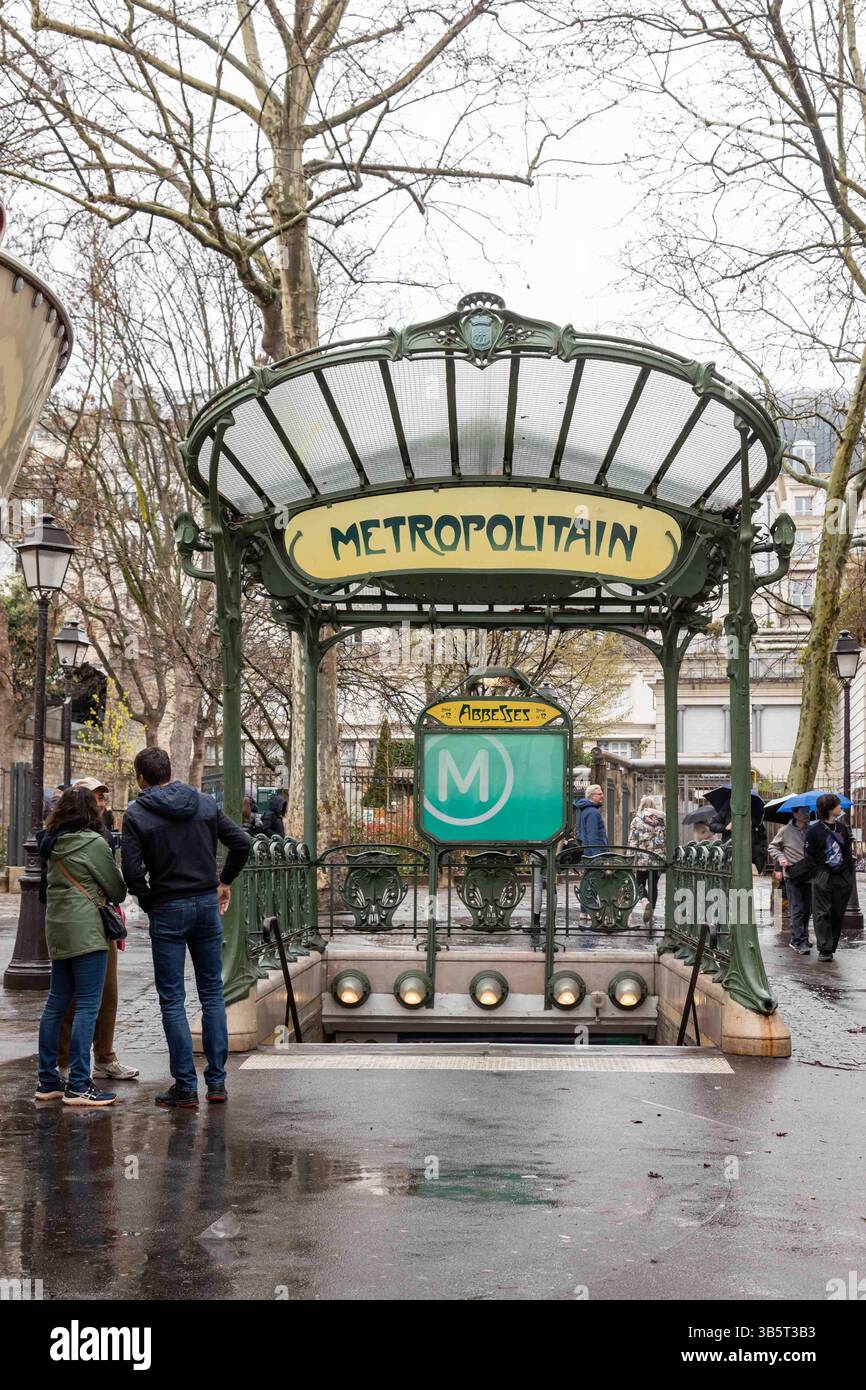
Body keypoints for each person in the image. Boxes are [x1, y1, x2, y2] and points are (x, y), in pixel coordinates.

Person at [121, 748, 252, 1107]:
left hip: (167, 908)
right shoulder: (203, 803)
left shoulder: (137, 813)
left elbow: (131, 871)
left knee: (173, 1000)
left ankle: (184, 1086)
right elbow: (242, 842)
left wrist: (149, 899)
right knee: (212, 994)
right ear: (170, 771)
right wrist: (223, 880)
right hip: (205, 906)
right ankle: (217, 1083)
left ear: (141, 779)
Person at [35, 784, 127, 1107]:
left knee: (56, 1002)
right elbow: (118, 891)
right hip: (88, 934)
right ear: (90, 812)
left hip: (57, 931)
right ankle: (78, 1084)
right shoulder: (93, 843)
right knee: (89, 1004)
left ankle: (47, 1079)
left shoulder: (51, 843)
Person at [54, 777, 139, 1084]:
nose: (101, 802)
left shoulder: (74, 836)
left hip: (95, 922)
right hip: (87, 924)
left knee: (106, 993)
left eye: (103, 796)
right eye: (95, 797)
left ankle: (102, 1057)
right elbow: (116, 887)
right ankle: (70, 1067)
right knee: (76, 999)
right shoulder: (87, 840)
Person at [804, 793, 854, 962]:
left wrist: (849, 873)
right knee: (821, 913)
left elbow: (847, 851)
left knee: (837, 913)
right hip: (822, 875)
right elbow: (808, 855)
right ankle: (824, 949)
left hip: (842, 876)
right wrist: (816, 875)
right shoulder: (814, 830)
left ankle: (831, 946)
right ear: (830, 809)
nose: (841, 808)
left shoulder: (842, 828)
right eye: (838, 805)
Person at [767, 805, 813, 955]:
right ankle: (800, 941)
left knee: (808, 909)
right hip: (793, 874)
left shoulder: (811, 829)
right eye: (803, 811)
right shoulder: (785, 831)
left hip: (810, 874)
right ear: (795, 813)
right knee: (797, 908)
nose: (807, 814)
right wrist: (781, 859)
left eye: (808, 811)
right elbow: (772, 847)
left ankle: (800, 937)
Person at [628, 794, 665, 922]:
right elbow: (665, 839)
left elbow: (633, 840)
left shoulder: (637, 820)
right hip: (657, 857)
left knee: (639, 882)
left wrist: (630, 857)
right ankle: (651, 913)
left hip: (642, 858)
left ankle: (644, 902)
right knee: (653, 885)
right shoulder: (662, 821)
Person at [575, 784, 609, 857]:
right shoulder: (593, 812)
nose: (602, 796)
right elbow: (592, 834)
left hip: (587, 851)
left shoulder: (584, 810)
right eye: (599, 794)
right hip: (593, 854)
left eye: (602, 793)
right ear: (591, 795)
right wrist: (596, 856)